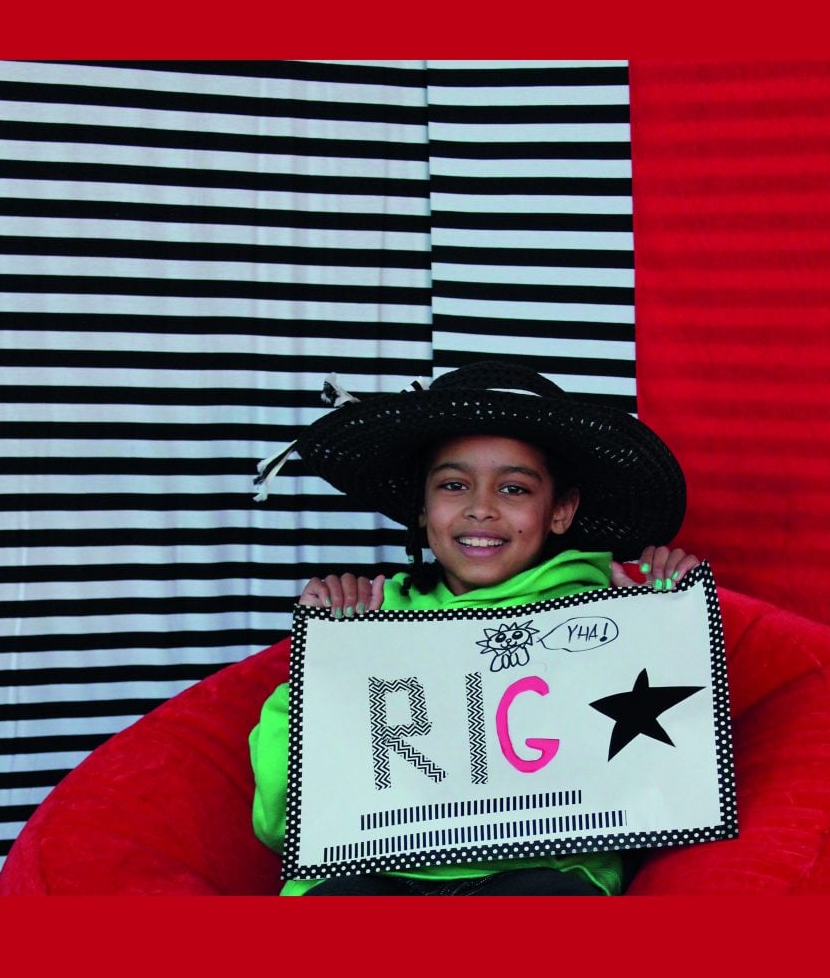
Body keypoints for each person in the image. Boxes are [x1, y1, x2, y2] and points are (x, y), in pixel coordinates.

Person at [249, 360, 699, 895]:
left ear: (561, 509)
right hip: (374, 878)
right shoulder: (372, 617)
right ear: (421, 507)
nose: (481, 508)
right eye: (455, 484)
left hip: (541, 878)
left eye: (514, 489)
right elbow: (281, 819)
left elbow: (666, 789)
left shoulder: (605, 613)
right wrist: (324, 660)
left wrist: (664, 632)